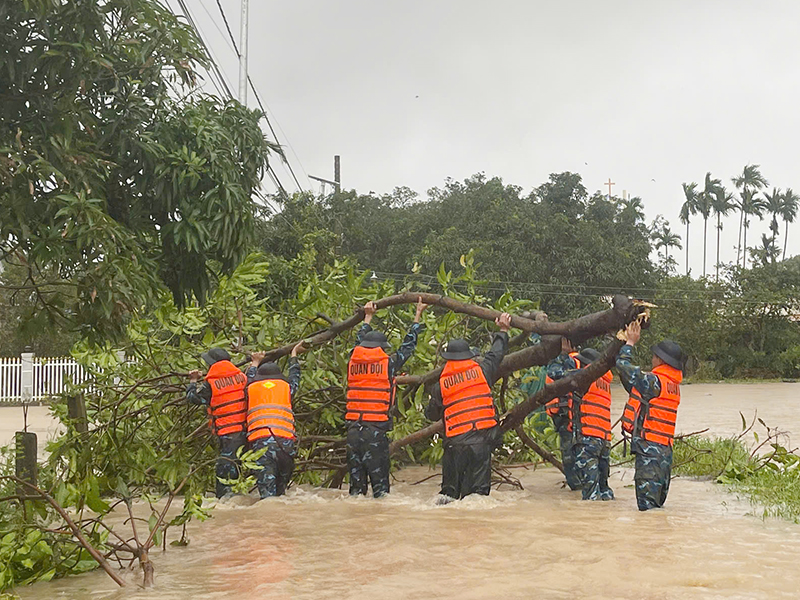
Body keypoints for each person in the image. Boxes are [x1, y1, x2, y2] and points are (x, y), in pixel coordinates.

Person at [345, 297, 427, 498]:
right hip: (375, 432)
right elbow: (407, 348)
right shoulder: (387, 364)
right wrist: (417, 316)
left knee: (356, 493)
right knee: (381, 492)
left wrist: (367, 317)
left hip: (353, 431)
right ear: (381, 347)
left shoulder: (352, 361)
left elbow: (358, 341)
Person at [425, 312, 512, 502]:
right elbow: (496, 353)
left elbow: (431, 415)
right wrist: (503, 329)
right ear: (469, 356)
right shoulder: (482, 371)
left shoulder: (440, 385)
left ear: (447, 359)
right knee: (478, 498)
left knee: (449, 497)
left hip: (454, 447)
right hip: (480, 445)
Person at [616, 320, 684, 511]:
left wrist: (630, 343)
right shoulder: (673, 386)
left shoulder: (654, 382)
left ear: (661, 361)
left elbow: (622, 366)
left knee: (647, 511)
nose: (652, 360)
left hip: (650, 453)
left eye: (654, 357)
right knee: (656, 509)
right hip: (665, 453)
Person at [187, 348, 250, 499]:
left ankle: (226, 505)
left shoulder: (211, 383)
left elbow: (193, 398)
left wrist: (193, 381)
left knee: (225, 476)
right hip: (245, 432)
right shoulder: (242, 377)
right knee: (238, 467)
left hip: (228, 434)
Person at [245, 342, 304, 498]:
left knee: (267, 498)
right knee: (280, 495)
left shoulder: (251, 387)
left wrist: (255, 362)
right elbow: (295, 376)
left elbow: (248, 378)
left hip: (261, 444)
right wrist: (293, 355)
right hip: (285, 444)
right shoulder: (286, 387)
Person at [571, 347, 615, 501]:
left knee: (590, 494)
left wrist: (564, 353)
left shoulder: (585, 378)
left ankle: (592, 522)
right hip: (604, 439)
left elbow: (559, 374)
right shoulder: (606, 382)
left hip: (588, 438)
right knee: (603, 489)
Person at [543, 337, 583, 490]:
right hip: (577, 417)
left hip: (567, 417)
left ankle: (577, 488)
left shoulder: (569, 362)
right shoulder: (584, 362)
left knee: (569, 456)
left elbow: (554, 373)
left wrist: (562, 355)